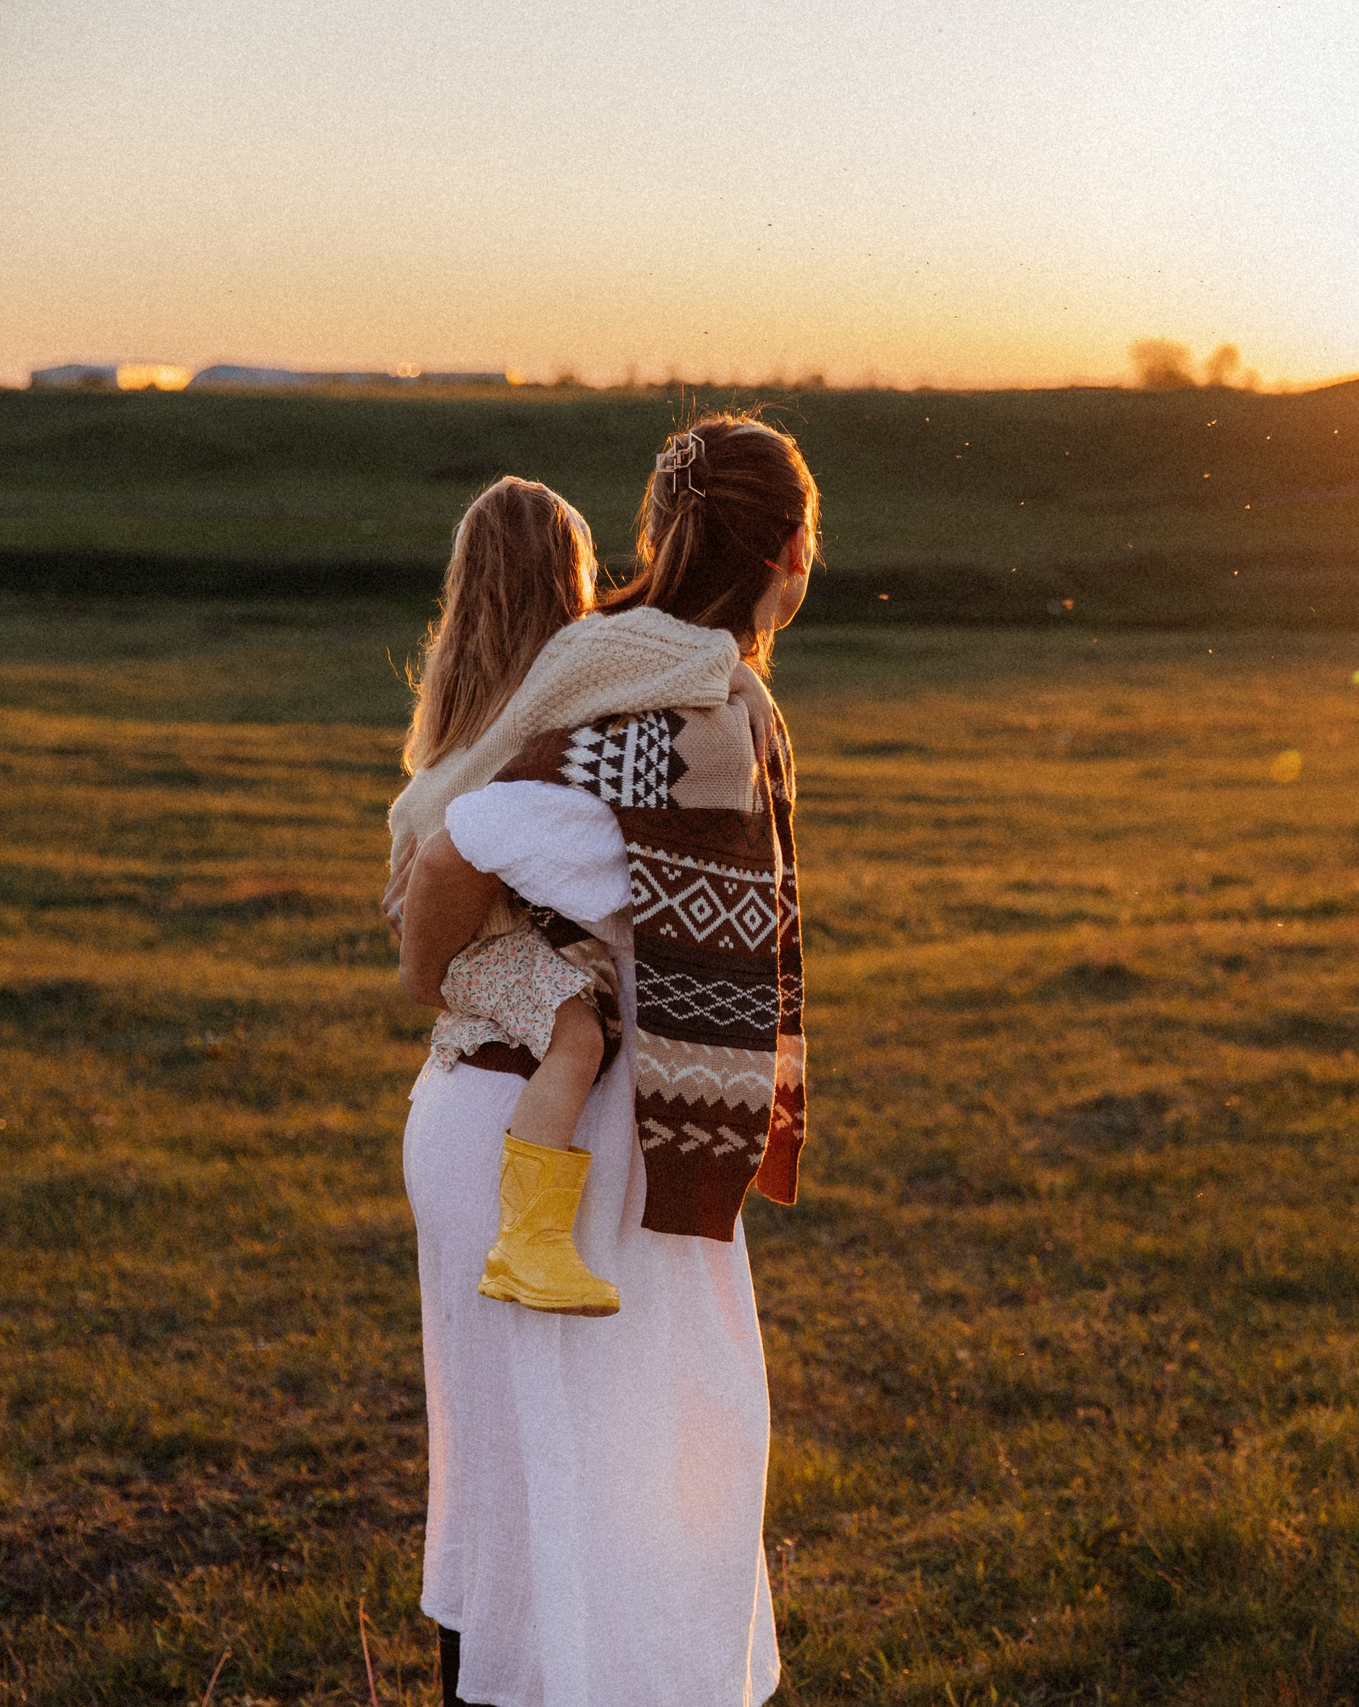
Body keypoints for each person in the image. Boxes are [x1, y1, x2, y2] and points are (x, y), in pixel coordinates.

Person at [393, 415, 817, 1707]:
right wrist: (433, 959)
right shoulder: (682, 706)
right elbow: (470, 835)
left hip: (510, 1115)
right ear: (792, 557)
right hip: (568, 1142)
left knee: (537, 1478)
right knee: (635, 1478)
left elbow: (473, 811)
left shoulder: (620, 673)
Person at [386, 476, 618, 1317]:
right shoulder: (552, 696)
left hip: (481, 940)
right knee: (578, 1032)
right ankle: (532, 1237)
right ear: (568, 578)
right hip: (482, 942)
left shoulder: (468, 701)